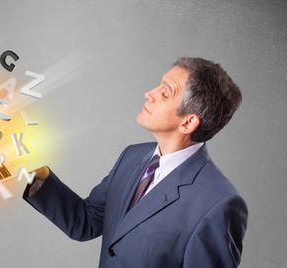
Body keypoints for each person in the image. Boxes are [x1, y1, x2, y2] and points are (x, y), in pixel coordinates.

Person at [23, 57, 248, 268]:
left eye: (165, 93)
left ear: (188, 122)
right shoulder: (131, 157)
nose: (149, 94)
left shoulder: (217, 204)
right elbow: (85, 221)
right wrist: (27, 165)